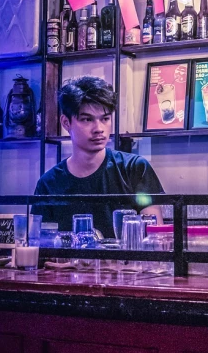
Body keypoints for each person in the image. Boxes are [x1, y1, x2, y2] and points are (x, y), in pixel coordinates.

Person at [33, 76, 163, 237]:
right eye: (87, 119)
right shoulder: (49, 184)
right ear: (66, 123)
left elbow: (155, 237)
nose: (99, 128)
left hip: (126, 263)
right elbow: (43, 244)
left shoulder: (134, 168)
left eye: (105, 119)